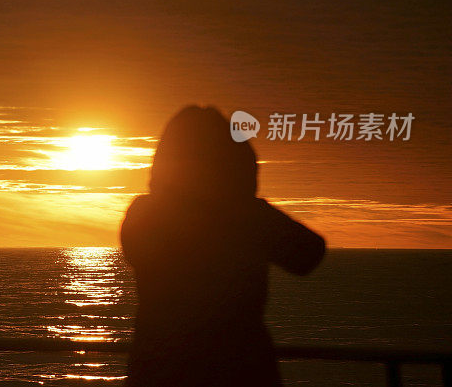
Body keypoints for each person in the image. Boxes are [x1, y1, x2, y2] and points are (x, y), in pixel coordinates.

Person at [121, 106, 325, 387]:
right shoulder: (247, 217)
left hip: (158, 370)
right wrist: (246, 206)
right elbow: (309, 254)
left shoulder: (145, 213)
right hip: (241, 371)